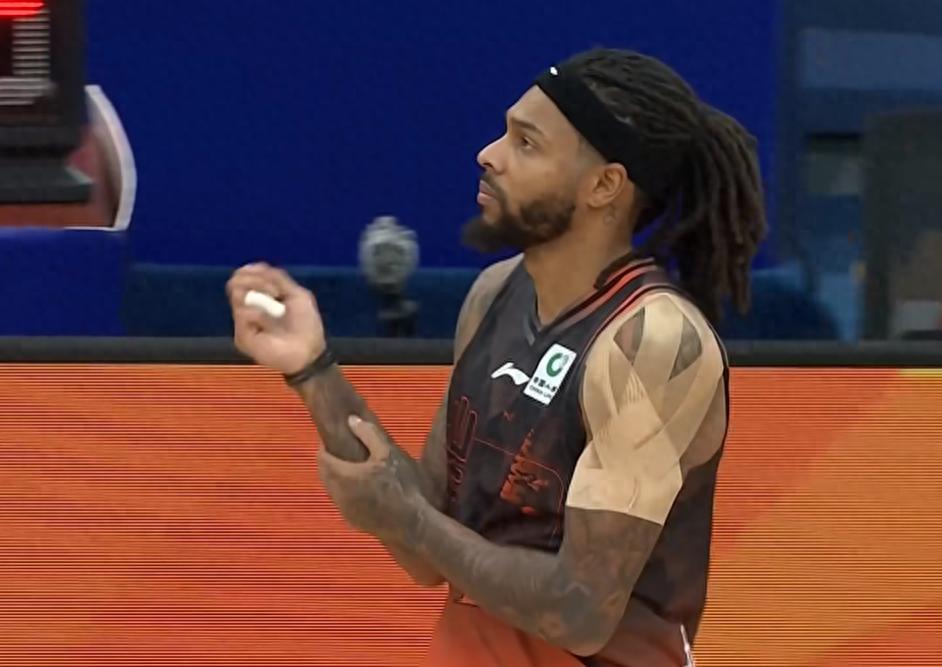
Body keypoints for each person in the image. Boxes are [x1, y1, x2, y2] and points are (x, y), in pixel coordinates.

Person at [226, 47, 766, 667]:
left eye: (526, 143)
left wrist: (407, 517)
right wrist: (313, 369)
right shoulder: (494, 294)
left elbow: (582, 613)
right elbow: (427, 542)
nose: (489, 154)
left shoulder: (651, 341)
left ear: (604, 185)